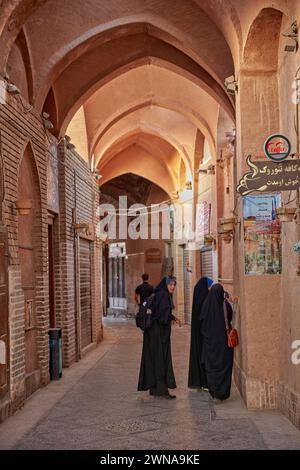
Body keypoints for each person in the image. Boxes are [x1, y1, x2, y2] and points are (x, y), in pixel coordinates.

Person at [138, 276, 180, 399]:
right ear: (165, 285)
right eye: (170, 284)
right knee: (161, 360)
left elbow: (159, 312)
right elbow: (162, 317)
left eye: (174, 285)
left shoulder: (159, 293)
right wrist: (169, 318)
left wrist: (172, 317)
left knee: (154, 359)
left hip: (152, 333)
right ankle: (162, 390)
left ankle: (155, 389)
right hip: (158, 335)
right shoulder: (164, 295)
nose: (172, 287)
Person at [200, 283, 234, 401]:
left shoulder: (206, 305)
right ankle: (223, 392)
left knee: (211, 367)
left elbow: (202, 323)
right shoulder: (225, 305)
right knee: (225, 365)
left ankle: (214, 390)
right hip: (223, 343)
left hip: (210, 345)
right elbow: (230, 317)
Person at [188, 277, 213, 390]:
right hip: (203, 334)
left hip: (199, 333)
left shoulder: (199, 297)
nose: (209, 289)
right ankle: (204, 381)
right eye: (208, 287)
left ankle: (201, 381)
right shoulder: (205, 298)